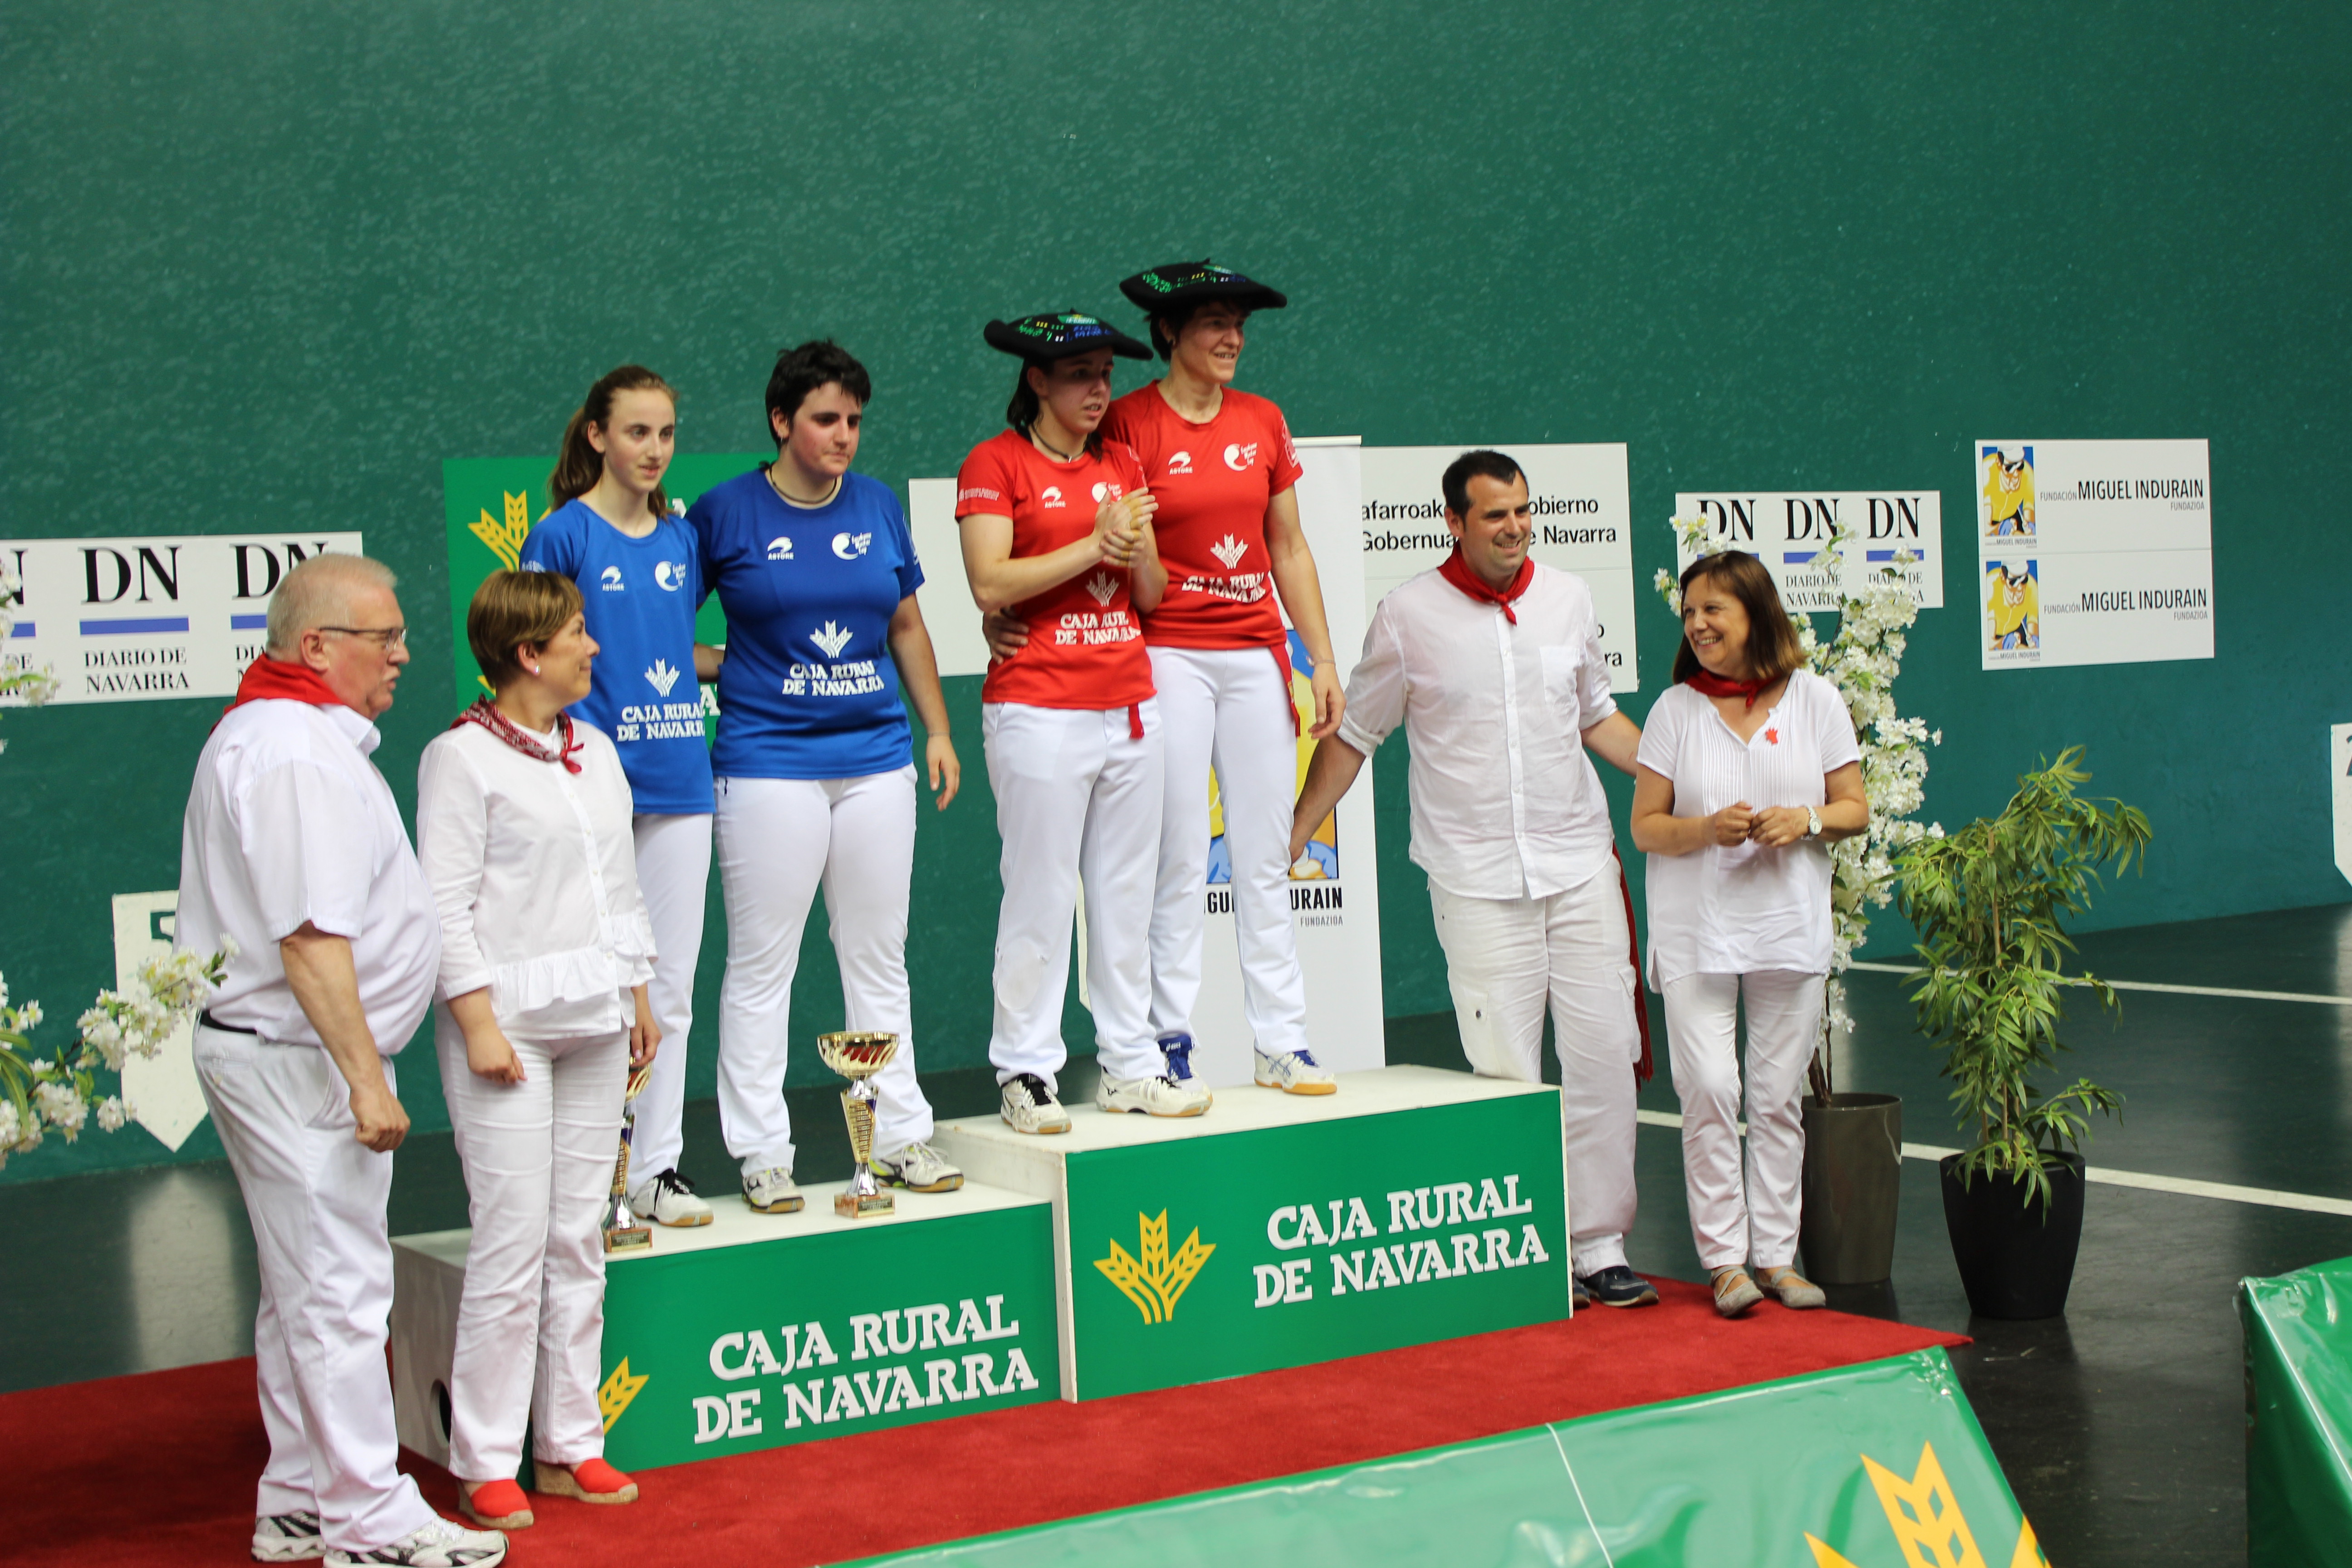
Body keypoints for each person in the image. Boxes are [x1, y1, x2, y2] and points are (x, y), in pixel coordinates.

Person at [176, 554, 507, 1566]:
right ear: (317, 647)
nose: (407, 653)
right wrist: (364, 1077)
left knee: (301, 1287)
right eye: (386, 637)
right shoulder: (293, 756)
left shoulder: (289, 737)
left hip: (289, 1055)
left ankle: (298, 1501)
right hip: (301, 1063)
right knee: (338, 1291)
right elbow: (312, 940)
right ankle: (369, 1522)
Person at [1290, 450, 1659, 1309]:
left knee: (1606, 1054)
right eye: (1495, 515)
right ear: (1453, 522)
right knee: (1505, 1072)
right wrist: (1295, 833)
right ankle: (1529, 1246)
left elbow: (1600, 719)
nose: (1515, 527)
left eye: (1524, 511)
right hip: (1476, 877)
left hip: (1578, 863)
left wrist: (1691, 779)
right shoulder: (1407, 616)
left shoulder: (1568, 597)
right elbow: (1357, 739)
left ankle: (1599, 1243)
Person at [686, 340, 964, 1211]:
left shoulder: (878, 507)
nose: (844, 435)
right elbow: (657, 629)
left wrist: (939, 732)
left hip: (877, 761)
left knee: (880, 956)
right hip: (768, 764)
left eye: (853, 420)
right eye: (825, 420)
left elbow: (909, 628)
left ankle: (898, 1137)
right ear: (782, 423)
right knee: (763, 964)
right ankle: (763, 1153)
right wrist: (728, 670)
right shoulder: (724, 513)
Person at [416, 570, 662, 1527]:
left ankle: (570, 1446)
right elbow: (443, 902)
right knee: (512, 1242)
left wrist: (636, 989)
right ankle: (483, 1459)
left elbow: (621, 884)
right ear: (529, 655)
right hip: (506, 1028)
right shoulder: (458, 761)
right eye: (576, 636)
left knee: (578, 1236)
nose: (594, 648)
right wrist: (476, 1019)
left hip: (598, 1019)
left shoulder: (593, 750)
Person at [956, 309, 1210, 1132]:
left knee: (1125, 895)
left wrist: (1135, 553)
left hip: (1131, 707)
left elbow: (1150, 595)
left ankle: (1130, 1064)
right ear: (1037, 381)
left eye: (1105, 373)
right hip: (1037, 708)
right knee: (1037, 893)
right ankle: (1026, 1070)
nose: (1100, 389)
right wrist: (1093, 545)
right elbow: (991, 584)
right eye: (1079, 375)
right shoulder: (994, 465)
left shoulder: (1125, 462)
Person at [1629, 551, 1866, 1318]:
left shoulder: (1817, 702)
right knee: (1708, 1091)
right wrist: (1706, 829)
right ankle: (1725, 1263)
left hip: (1787, 931)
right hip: (1696, 932)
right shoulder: (1674, 711)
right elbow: (1647, 829)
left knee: (1772, 1099)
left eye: (1712, 611)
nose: (1696, 625)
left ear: (1756, 614)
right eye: (1689, 613)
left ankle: (1777, 1258)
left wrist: (1808, 819)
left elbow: (1854, 808)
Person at [519, 364, 717, 1230]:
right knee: (597, 990)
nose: (654, 449)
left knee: (666, 989)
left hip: (682, 778)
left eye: (667, 434)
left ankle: (656, 1168)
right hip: (590, 784)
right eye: (637, 432)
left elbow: (673, 641)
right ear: (598, 436)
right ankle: (591, 1177)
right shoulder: (562, 536)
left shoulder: (682, 540)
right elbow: (534, 654)